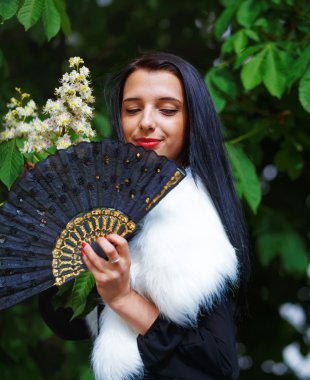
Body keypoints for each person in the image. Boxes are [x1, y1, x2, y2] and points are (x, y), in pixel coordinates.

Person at [39, 52, 250, 380]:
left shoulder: (192, 217)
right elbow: (67, 321)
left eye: (167, 110)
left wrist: (123, 298)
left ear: (192, 120)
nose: (146, 122)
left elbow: (218, 367)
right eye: (132, 109)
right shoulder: (108, 202)